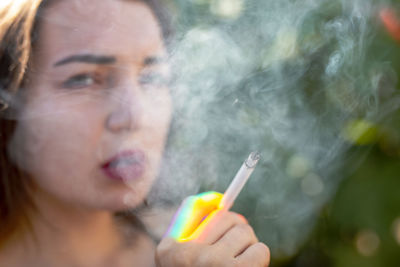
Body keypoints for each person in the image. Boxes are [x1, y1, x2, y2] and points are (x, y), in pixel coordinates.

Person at [0, 0, 271, 266]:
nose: (136, 116)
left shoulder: (194, 247)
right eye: (84, 78)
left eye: (152, 77)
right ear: (9, 100)